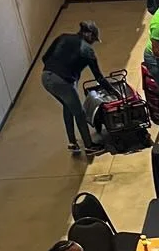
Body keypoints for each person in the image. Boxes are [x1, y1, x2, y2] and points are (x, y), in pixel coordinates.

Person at [40, 22, 110, 156]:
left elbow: (45, 58)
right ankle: (89, 146)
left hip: (45, 77)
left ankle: (72, 143)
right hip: (62, 81)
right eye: (93, 39)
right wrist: (114, 91)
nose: (93, 43)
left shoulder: (62, 37)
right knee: (80, 113)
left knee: (68, 106)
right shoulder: (87, 50)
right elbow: (99, 77)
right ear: (88, 34)